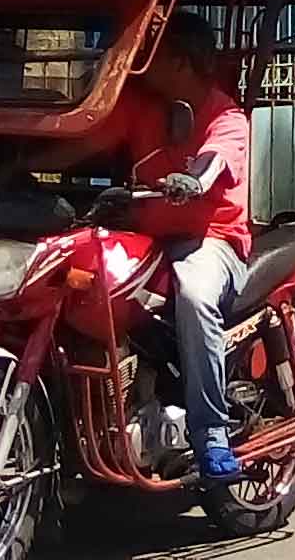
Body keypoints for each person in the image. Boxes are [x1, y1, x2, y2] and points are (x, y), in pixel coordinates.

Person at [109, 34, 258, 485]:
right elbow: (84, 139)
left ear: (181, 62)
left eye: (151, 57)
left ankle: (211, 431)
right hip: (146, 238)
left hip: (211, 241)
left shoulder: (226, 115)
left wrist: (194, 179)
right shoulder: (143, 107)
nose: (140, 66)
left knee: (194, 296)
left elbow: (215, 159)